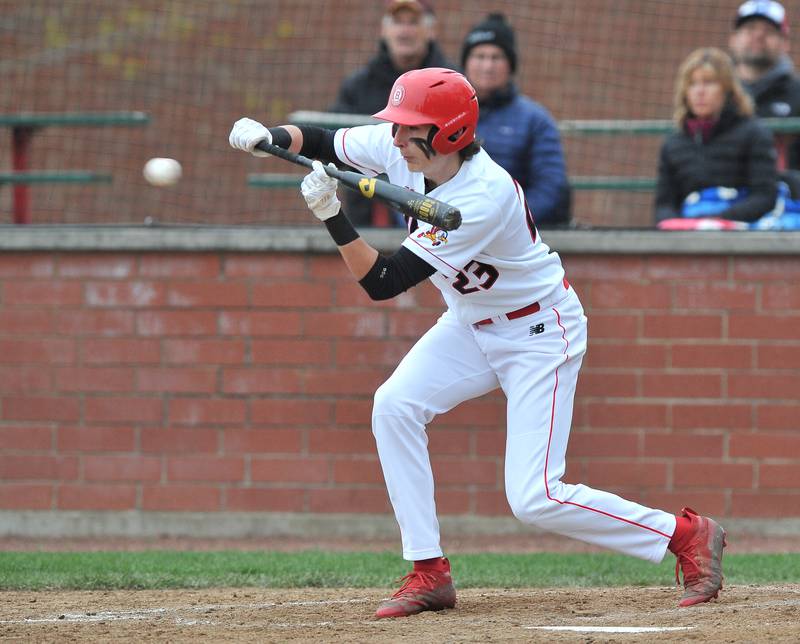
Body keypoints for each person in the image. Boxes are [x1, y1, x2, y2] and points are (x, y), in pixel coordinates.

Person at [229, 68, 726, 619]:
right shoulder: (405, 148)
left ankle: (685, 534)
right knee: (394, 405)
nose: (395, 138)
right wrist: (273, 138)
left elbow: (384, 283)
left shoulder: (481, 196)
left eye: (408, 128)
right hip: (470, 321)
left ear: (448, 133)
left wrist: (332, 217)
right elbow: (321, 141)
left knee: (534, 497)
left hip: (539, 332)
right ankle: (429, 570)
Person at [329, 0, 455, 227]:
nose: (405, 31)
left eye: (413, 23)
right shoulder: (358, 85)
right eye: (398, 23)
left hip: (435, 213)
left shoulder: (450, 83)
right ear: (384, 30)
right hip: (367, 215)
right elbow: (336, 141)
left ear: (431, 31)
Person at [461, 13, 570, 226]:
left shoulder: (535, 120)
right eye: (479, 56)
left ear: (510, 65)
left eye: (496, 57)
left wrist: (508, 221)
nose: (487, 66)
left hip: (512, 232)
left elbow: (550, 186)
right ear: (466, 62)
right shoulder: (444, 114)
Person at [655, 47, 778, 226]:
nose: (699, 91)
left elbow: (764, 197)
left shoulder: (755, 134)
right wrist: (677, 226)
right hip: (686, 233)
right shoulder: (673, 144)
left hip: (740, 232)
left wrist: (717, 222)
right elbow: (664, 205)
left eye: (709, 82)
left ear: (728, 89)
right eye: (693, 83)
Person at [729, 0, 800, 170]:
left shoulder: (797, 93)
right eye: (750, 28)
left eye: (769, 31)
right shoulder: (716, 91)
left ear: (785, 44)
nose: (758, 36)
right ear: (733, 39)